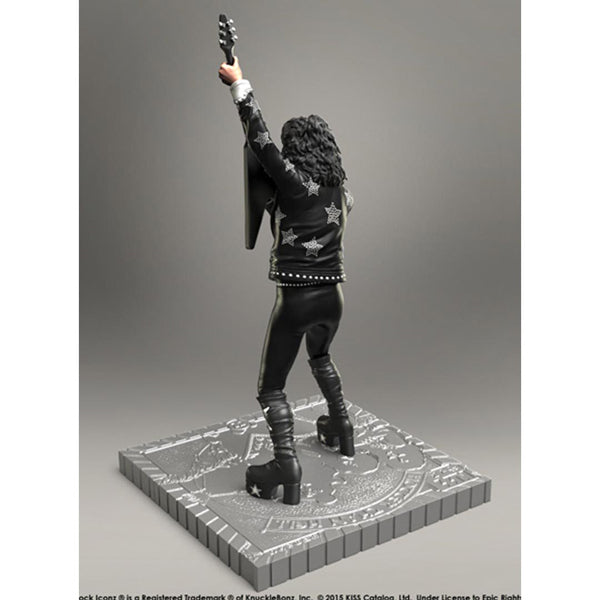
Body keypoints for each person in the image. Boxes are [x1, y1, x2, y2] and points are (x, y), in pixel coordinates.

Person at [219, 57, 355, 505]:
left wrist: (240, 85)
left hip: (296, 300)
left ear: (296, 150)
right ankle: (341, 426)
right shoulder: (341, 191)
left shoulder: (295, 183)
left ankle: (285, 464)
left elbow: (260, 140)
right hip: (334, 299)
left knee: (271, 387)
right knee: (321, 356)